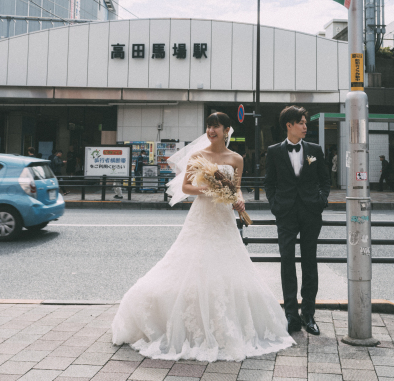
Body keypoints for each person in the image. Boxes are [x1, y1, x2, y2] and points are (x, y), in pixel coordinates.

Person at [112, 112, 294, 361]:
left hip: (224, 218)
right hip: (202, 215)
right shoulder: (198, 156)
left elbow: (237, 187)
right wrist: (208, 188)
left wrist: (238, 200)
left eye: (216, 127)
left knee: (227, 264)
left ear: (227, 130)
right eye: (209, 126)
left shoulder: (236, 158)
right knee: (192, 261)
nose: (211, 131)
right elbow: (186, 187)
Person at [264, 105, 330, 336]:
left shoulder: (314, 150)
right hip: (286, 212)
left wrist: (321, 200)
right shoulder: (274, 152)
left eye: (305, 123)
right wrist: (275, 206)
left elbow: (325, 179)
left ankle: (308, 314)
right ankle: (291, 315)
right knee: (287, 261)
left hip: (311, 211)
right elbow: (269, 183)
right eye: (301, 123)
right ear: (288, 125)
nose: (305, 127)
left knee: (309, 262)